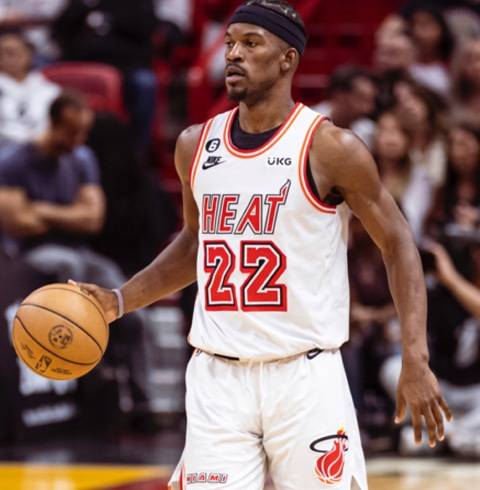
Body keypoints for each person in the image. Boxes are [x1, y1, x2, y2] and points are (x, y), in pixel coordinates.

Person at [76, 2, 452, 489]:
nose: (233, 53)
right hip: (218, 377)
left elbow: (399, 245)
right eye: (230, 42)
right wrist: (118, 300)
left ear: (287, 59)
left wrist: (415, 356)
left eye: (251, 43)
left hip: (304, 375)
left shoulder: (329, 148)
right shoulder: (195, 144)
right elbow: (195, 244)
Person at [0, 92, 152, 417]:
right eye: (72, 132)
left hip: (79, 251)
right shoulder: (14, 161)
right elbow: (18, 222)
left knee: (130, 303)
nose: (79, 140)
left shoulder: (82, 158)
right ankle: (92, 378)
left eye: (84, 132)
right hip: (30, 255)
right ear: (53, 124)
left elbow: (93, 219)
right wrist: (70, 213)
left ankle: (143, 402)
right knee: (67, 265)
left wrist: (41, 209)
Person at [0, 29, 60, 146]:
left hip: (43, 148)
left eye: (11, 53)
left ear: (28, 55)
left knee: (81, 154)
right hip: (4, 149)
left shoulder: (49, 90)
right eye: (0, 54)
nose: (5, 59)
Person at [311, 65, 378, 149]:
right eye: (361, 99)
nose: (367, 109)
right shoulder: (309, 123)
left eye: (370, 101)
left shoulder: (369, 131)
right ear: (339, 96)